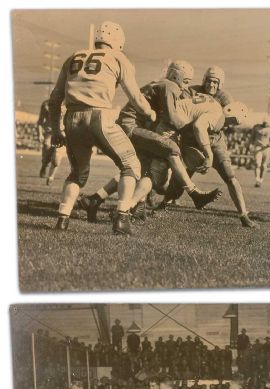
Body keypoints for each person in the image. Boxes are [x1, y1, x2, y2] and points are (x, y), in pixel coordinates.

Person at [80, 60, 222, 223]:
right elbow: (173, 119)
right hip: (131, 126)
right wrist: (190, 134)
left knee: (141, 171)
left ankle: (96, 199)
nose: (184, 87)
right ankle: (194, 193)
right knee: (172, 149)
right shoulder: (170, 86)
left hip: (132, 125)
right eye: (186, 82)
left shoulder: (162, 84)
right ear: (177, 76)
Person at [48, 21, 156, 234]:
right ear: (117, 42)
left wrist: (55, 129)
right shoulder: (118, 58)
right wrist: (149, 113)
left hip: (72, 118)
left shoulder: (73, 57)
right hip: (99, 116)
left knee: (77, 174)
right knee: (131, 165)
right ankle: (122, 219)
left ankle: (63, 219)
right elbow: (135, 96)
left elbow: (54, 99)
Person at [165, 65, 257, 228]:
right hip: (192, 140)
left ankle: (243, 214)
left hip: (214, 141)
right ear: (204, 80)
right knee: (180, 175)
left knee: (230, 176)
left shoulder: (225, 98)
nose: (211, 85)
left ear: (220, 84)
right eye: (209, 81)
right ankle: (165, 202)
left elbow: (231, 119)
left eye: (215, 82)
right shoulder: (191, 90)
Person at [37, 99, 66, 185]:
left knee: (57, 157)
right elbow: (40, 122)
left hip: (62, 134)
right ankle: (44, 165)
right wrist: (40, 134)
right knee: (46, 151)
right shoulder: (46, 104)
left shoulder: (70, 104)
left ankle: (51, 176)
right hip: (49, 133)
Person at [249, 120, 270, 187]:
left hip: (266, 148)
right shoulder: (256, 127)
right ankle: (257, 180)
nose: (265, 124)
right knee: (257, 164)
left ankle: (261, 180)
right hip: (258, 147)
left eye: (267, 123)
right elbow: (252, 138)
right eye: (264, 122)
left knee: (264, 165)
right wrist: (250, 145)